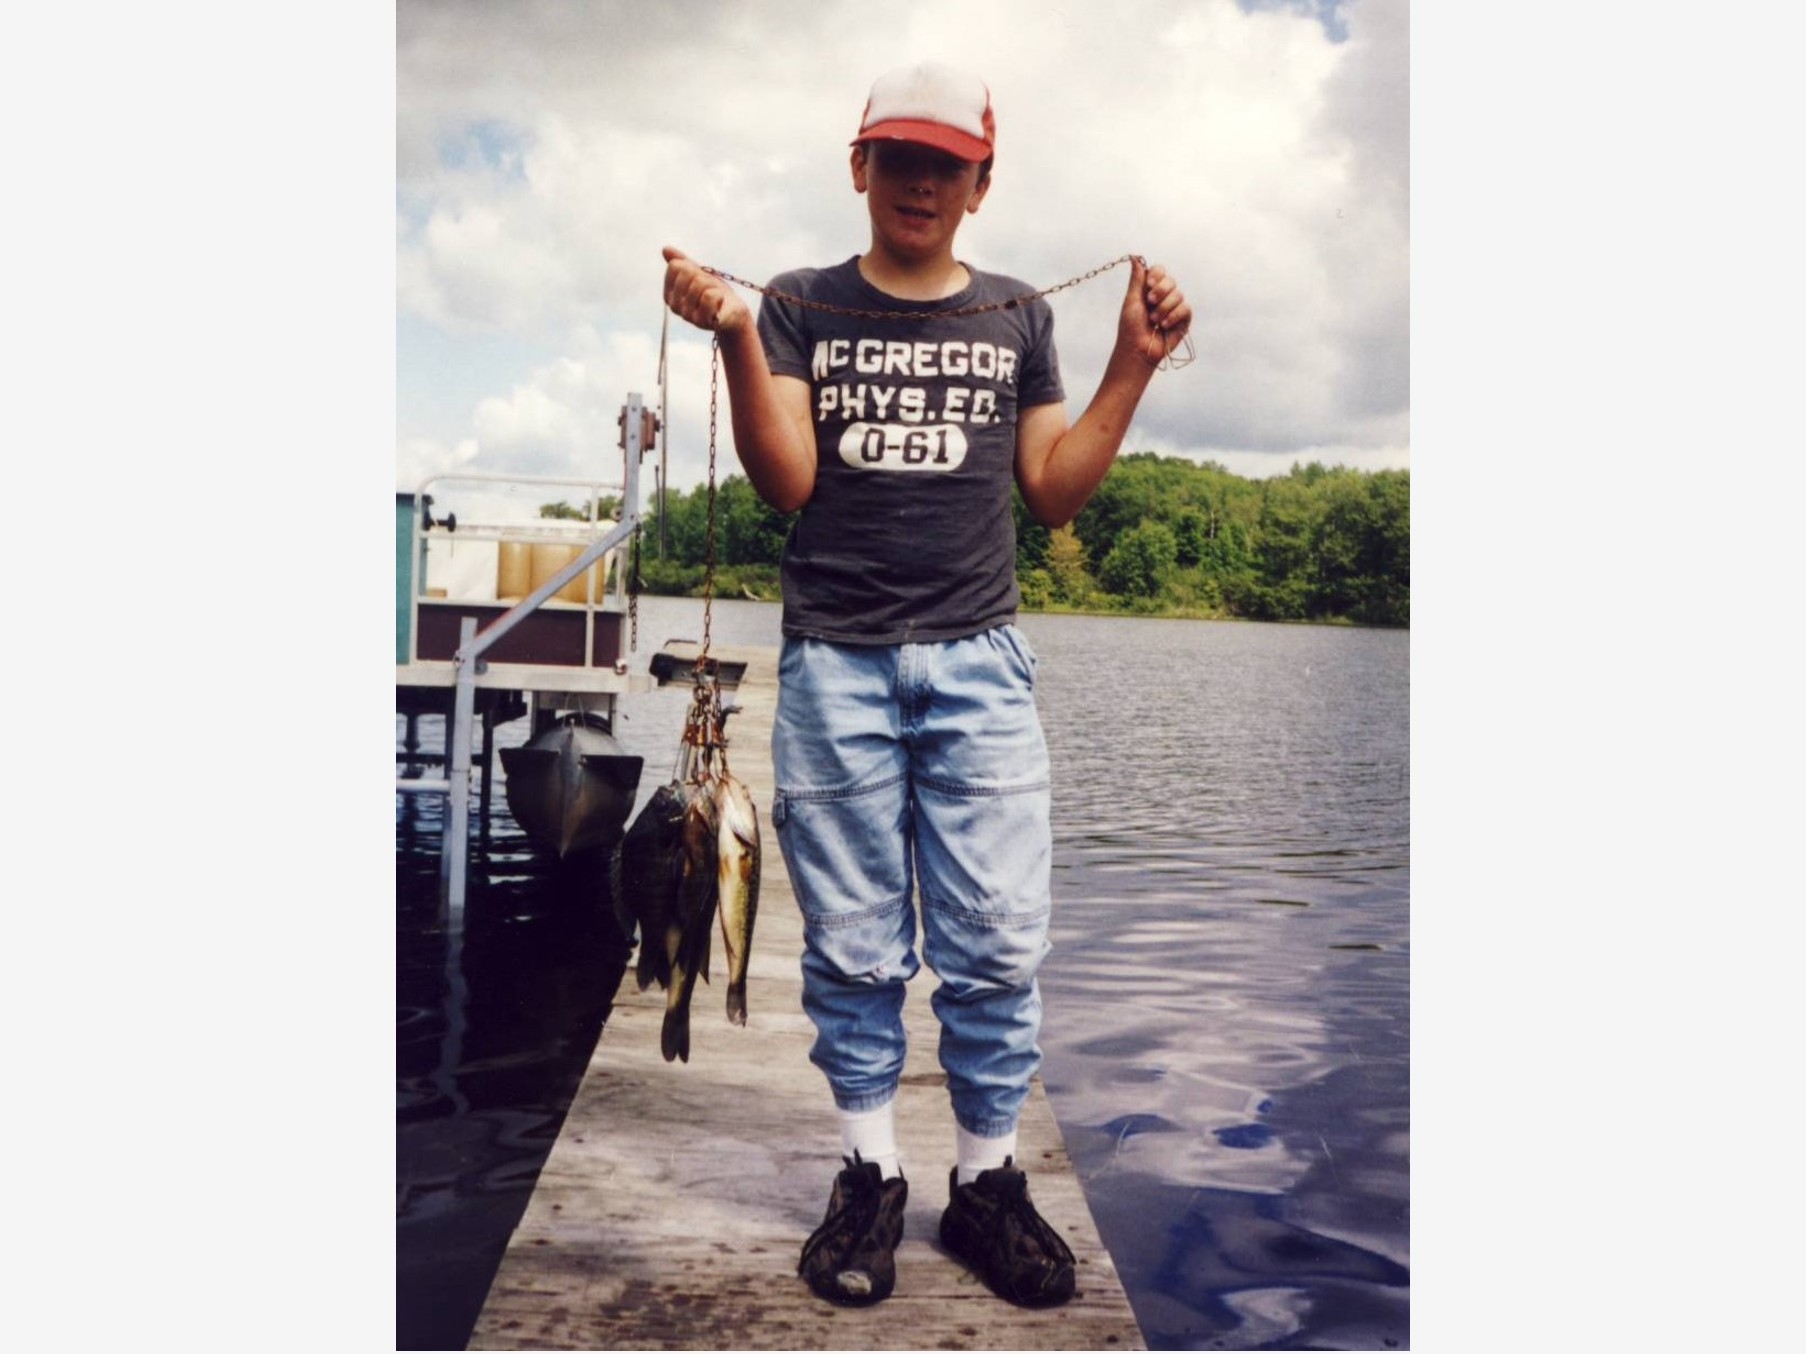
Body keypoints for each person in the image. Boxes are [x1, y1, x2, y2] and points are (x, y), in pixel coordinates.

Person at [661, 61, 1191, 1310]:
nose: (917, 181)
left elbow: (1052, 489)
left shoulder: (1019, 314)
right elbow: (786, 479)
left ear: (980, 184)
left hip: (979, 666)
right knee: (851, 947)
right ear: (858, 165)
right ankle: (870, 1174)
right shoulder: (796, 304)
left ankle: (988, 1183)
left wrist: (1135, 361)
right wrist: (738, 334)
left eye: (944, 164)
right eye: (896, 156)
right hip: (837, 662)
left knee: (998, 942)